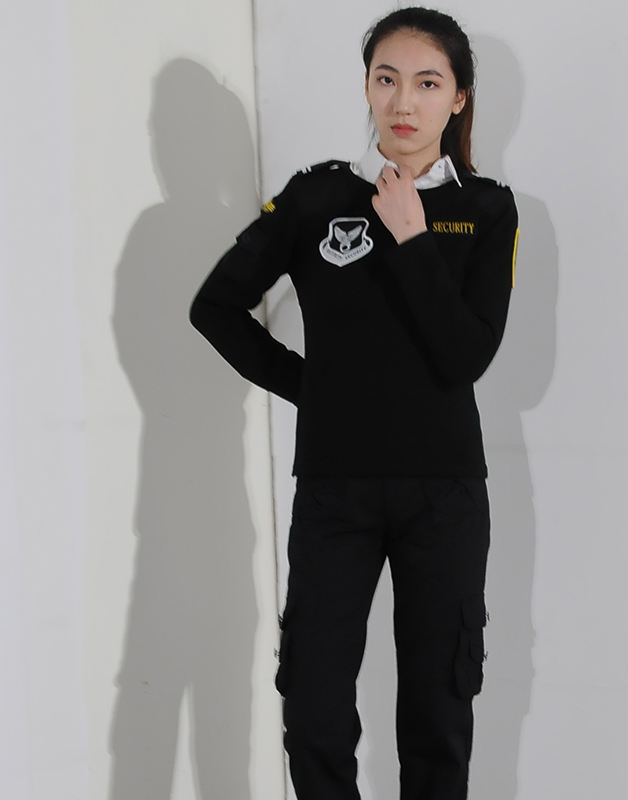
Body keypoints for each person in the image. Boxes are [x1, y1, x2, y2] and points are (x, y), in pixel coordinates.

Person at [190, 7, 519, 800]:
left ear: (458, 98)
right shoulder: (316, 197)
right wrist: (316, 391)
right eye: (386, 79)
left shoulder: (486, 209)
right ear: (368, 87)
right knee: (313, 711)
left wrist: (412, 239)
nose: (403, 102)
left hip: (443, 495)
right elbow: (215, 308)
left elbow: (467, 356)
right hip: (335, 492)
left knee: (438, 718)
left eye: (427, 84)